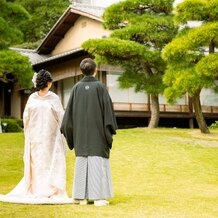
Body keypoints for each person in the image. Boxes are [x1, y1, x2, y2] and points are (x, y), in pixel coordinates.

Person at [0, 69, 72, 204]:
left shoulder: (32, 98)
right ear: (49, 83)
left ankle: (39, 189)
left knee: (41, 163)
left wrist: (28, 132)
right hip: (43, 137)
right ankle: (43, 189)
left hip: (40, 136)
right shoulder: (52, 98)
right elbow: (61, 118)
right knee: (42, 163)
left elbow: (26, 118)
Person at [60, 58, 118, 206]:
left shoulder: (76, 88)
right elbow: (108, 113)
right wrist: (109, 132)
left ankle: (81, 197)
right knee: (97, 163)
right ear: (95, 70)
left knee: (81, 163)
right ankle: (98, 198)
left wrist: (72, 136)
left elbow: (67, 119)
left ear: (82, 71)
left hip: (80, 136)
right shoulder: (100, 87)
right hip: (98, 135)